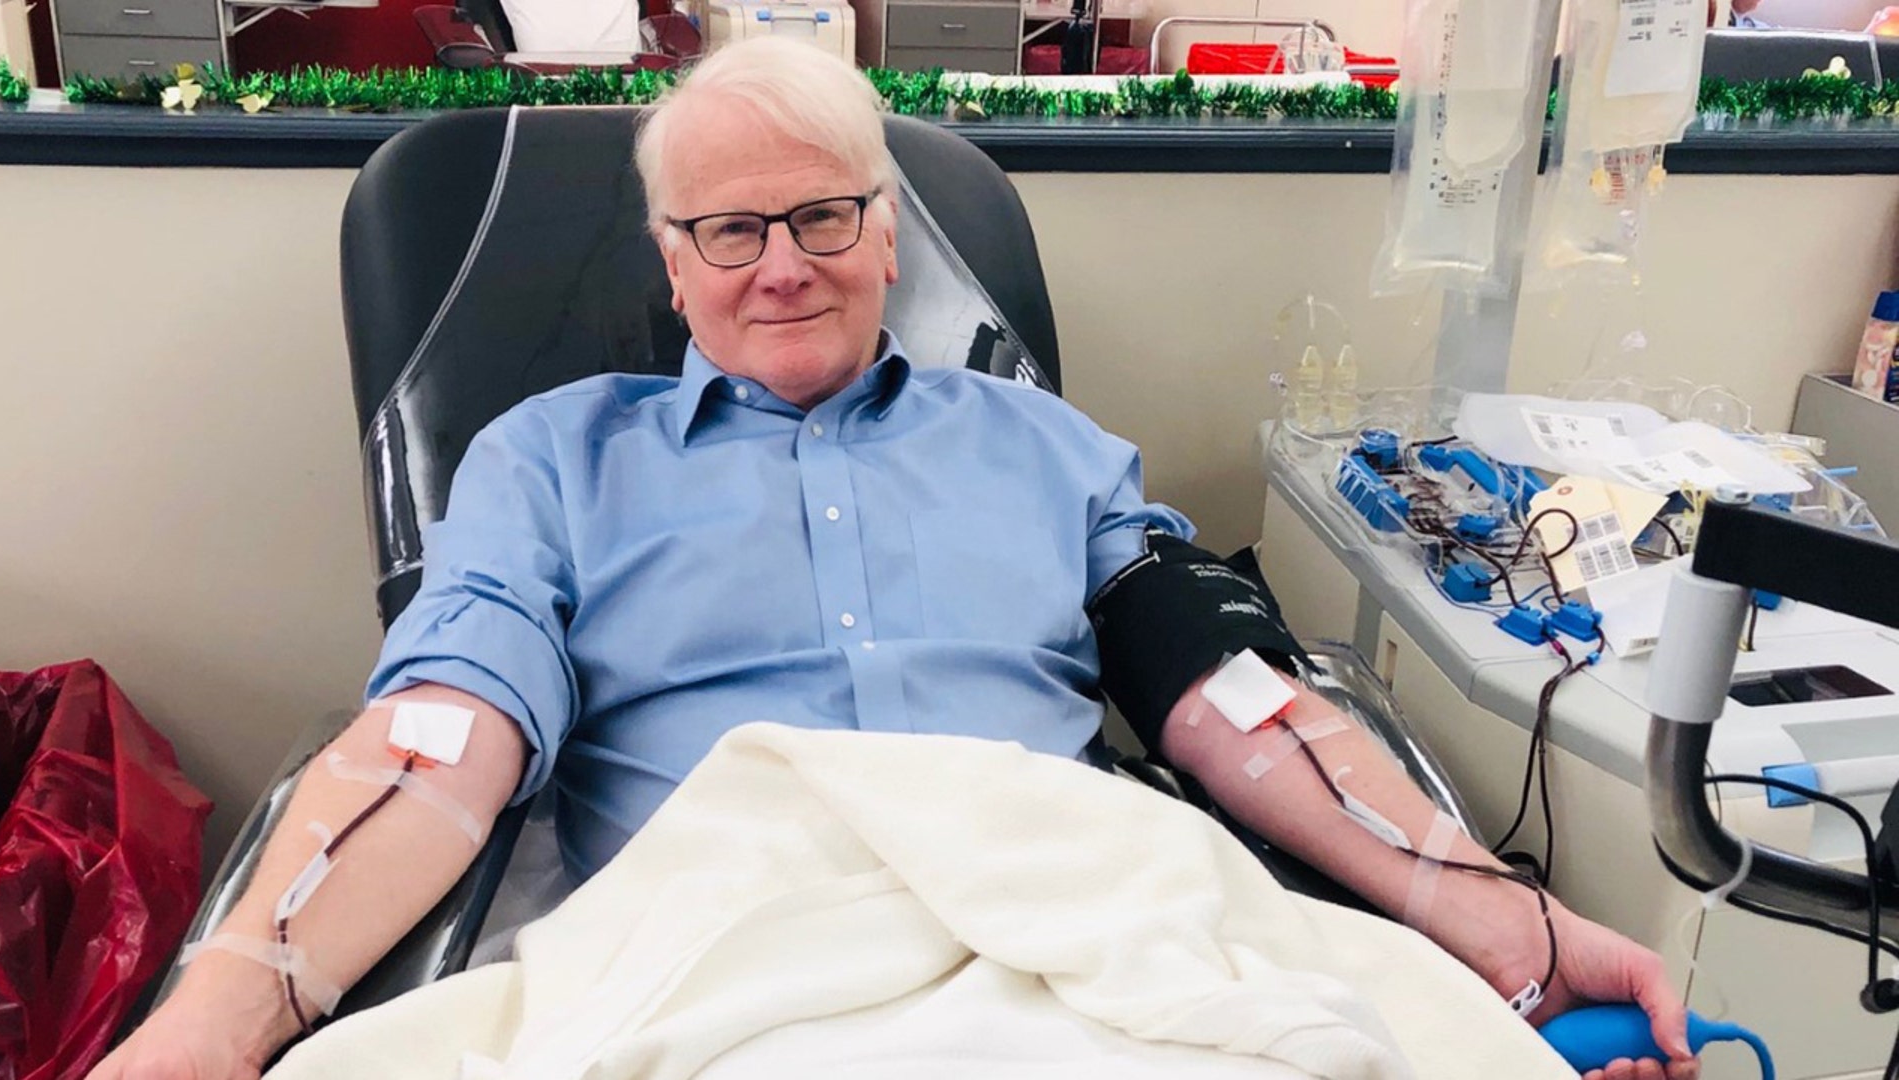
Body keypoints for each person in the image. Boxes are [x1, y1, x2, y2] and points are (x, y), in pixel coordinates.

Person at [90, 38, 1698, 1080]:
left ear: (887, 231)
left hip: (1076, 929)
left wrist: (1502, 918)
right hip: (731, 945)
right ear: (671, 260)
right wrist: (233, 1003)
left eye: (825, 217)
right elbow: (437, 743)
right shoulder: (553, 462)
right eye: (732, 230)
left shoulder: (1050, 451)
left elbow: (1232, 706)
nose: (782, 268)